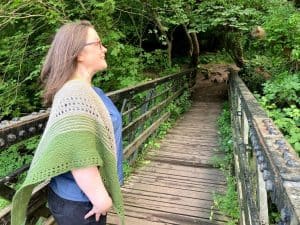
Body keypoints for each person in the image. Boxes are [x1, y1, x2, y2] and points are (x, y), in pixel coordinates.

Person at [11, 20, 125, 225]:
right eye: (98, 44)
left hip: (78, 199)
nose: (104, 49)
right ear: (79, 54)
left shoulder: (86, 91)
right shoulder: (75, 94)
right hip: (82, 202)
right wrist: (101, 199)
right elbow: (79, 155)